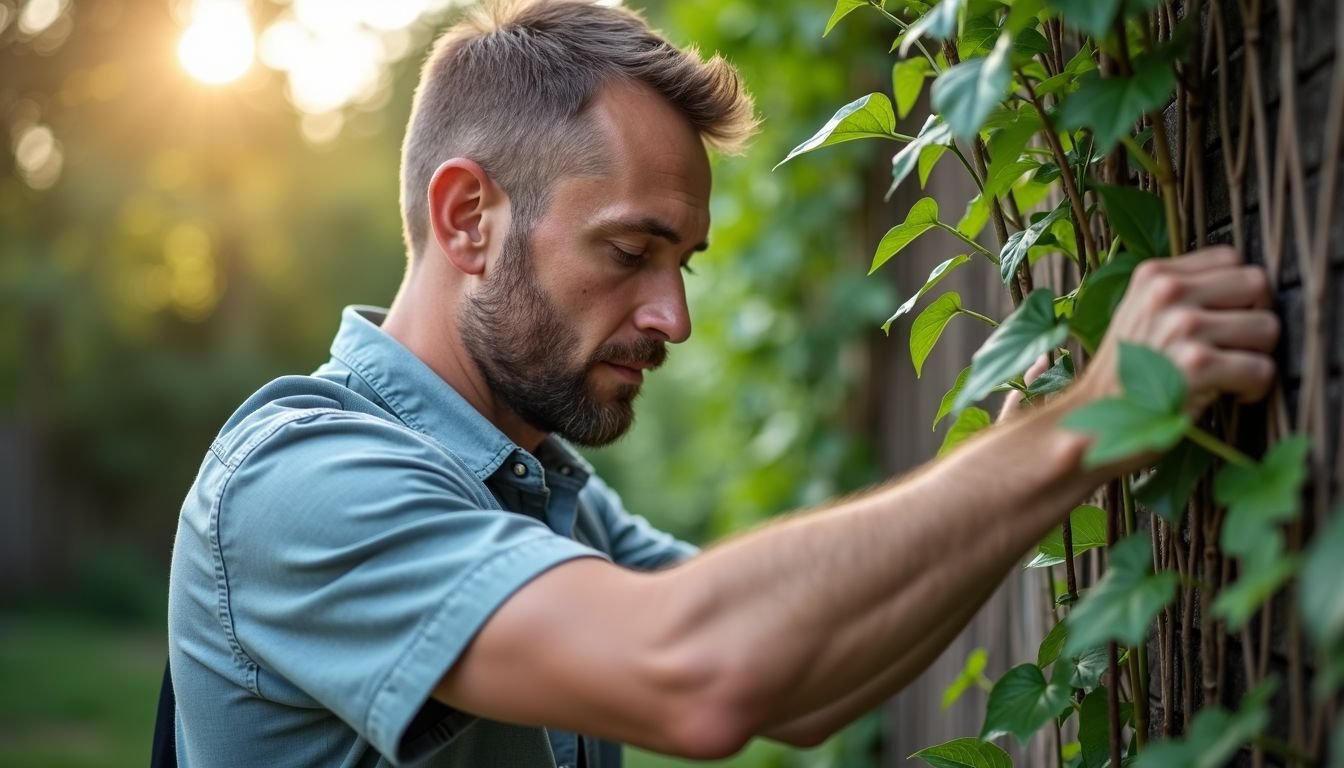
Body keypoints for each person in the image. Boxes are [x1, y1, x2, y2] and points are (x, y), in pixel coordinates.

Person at [164, 1, 1281, 766]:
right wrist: (1079, 425)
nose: (674, 317)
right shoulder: (302, 484)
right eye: (627, 250)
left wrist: (1040, 450)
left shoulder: (534, 484)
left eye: (681, 264)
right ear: (469, 218)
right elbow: (699, 673)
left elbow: (801, 691)